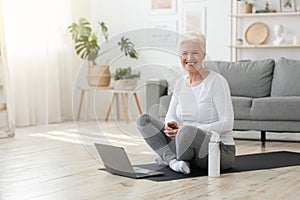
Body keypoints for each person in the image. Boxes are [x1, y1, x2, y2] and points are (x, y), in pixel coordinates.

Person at [136, 32, 235, 174]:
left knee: (187, 131)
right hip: (183, 142)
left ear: (203, 55)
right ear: (180, 56)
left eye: (195, 53)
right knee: (143, 120)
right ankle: (173, 161)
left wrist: (188, 129)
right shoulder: (180, 83)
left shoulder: (217, 81)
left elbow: (227, 123)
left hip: (219, 150)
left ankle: (166, 156)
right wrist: (171, 126)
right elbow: (170, 117)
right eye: (185, 53)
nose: (189, 58)